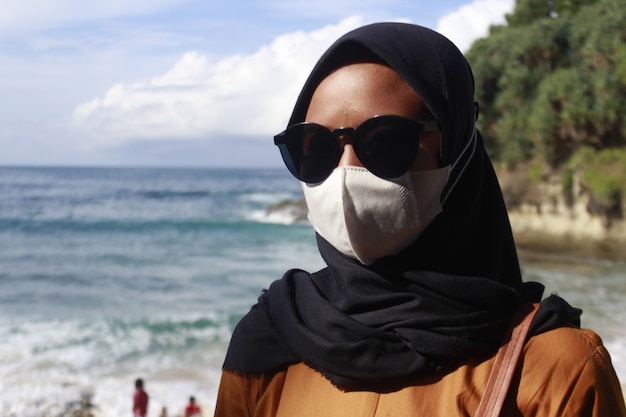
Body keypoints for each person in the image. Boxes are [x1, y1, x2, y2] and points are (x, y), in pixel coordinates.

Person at [214, 22, 626, 416]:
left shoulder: (553, 371)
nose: (346, 173)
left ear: (458, 149)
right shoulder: (268, 340)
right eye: (317, 147)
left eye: (386, 142)